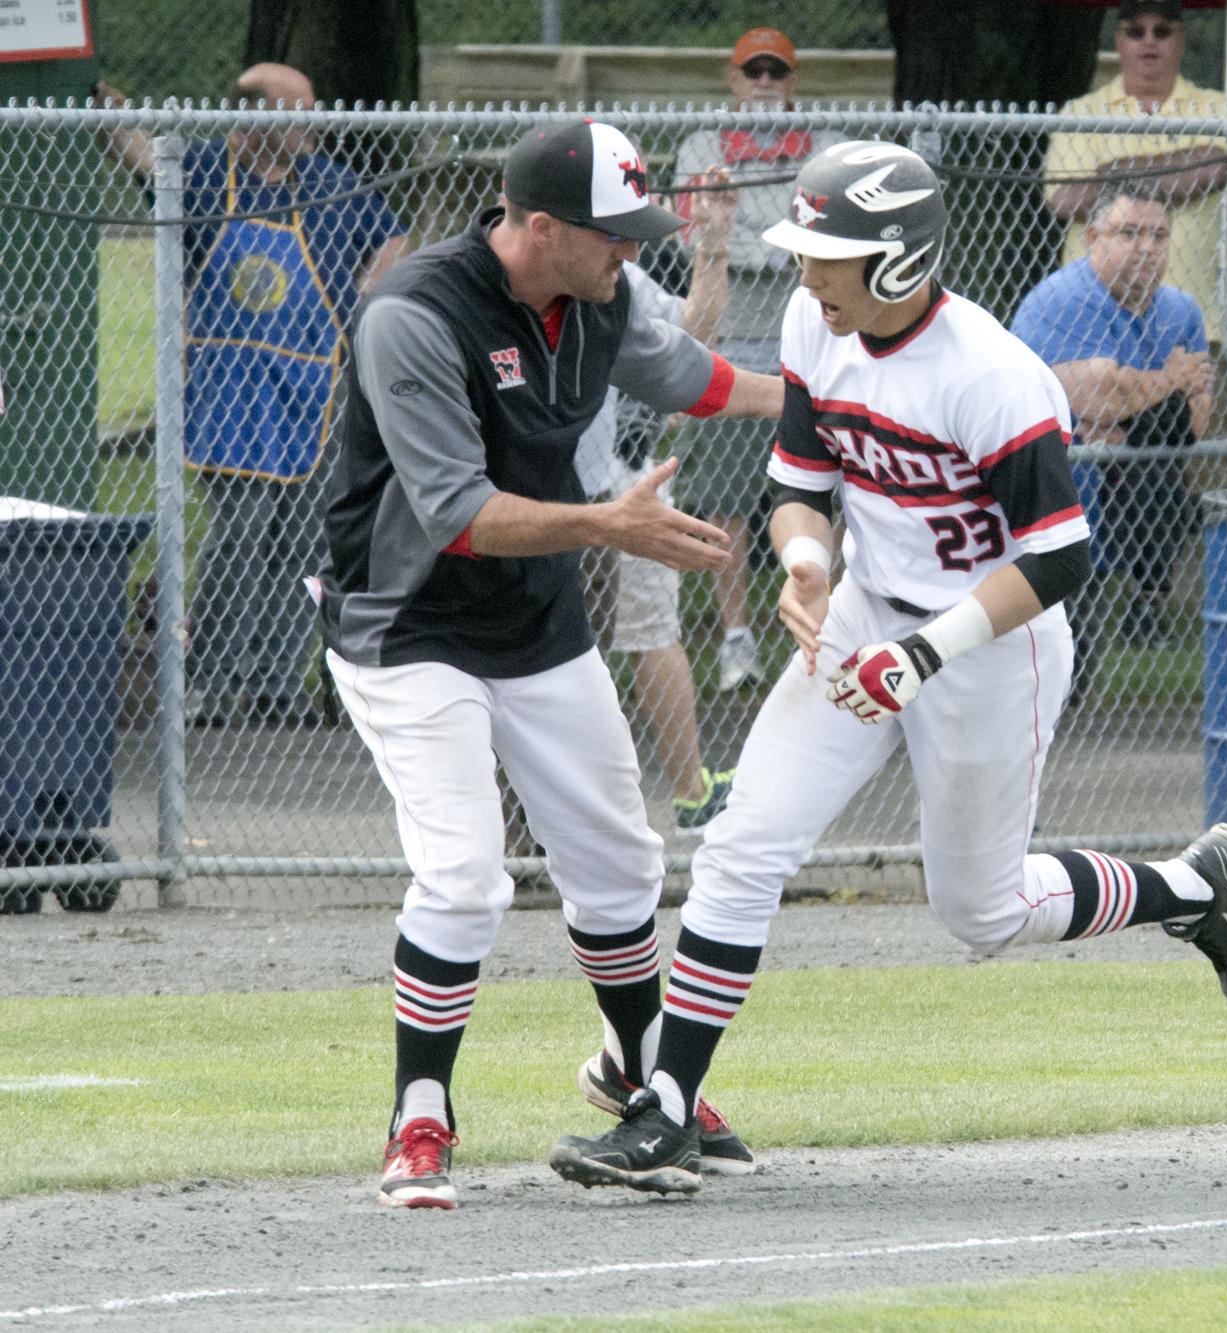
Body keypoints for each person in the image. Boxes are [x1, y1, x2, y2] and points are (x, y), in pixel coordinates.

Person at [546, 141, 1227, 1199]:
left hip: (988, 645)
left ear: (895, 260)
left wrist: (924, 652)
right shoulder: (814, 325)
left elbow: (1059, 555)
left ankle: (1189, 888)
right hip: (865, 618)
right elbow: (799, 482)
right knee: (742, 844)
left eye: (825, 255)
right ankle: (663, 1108)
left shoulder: (990, 373)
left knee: (978, 911)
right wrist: (804, 564)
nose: (804, 275)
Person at [315, 119, 784, 1209]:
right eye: (611, 232)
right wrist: (608, 526)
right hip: (407, 625)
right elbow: (459, 513)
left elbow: (694, 377)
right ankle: (418, 1114)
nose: (631, 251)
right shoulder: (414, 316)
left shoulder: (602, 299)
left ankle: (641, 1082)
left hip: (534, 623)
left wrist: (824, 402)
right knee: (467, 872)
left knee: (620, 862)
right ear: (534, 227)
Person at [96, 63, 408, 726]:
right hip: (232, 390)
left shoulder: (330, 184)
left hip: (317, 392)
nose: (310, 126)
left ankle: (273, 685)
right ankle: (205, 680)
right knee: (241, 528)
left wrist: (367, 299)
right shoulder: (206, 172)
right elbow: (146, 161)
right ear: (253, 117)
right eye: (296, 113)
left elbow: (393, 239)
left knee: (302, 539)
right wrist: (109, 116)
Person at [670, 27, 852, 693]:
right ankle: (737, 639)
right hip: (728, 343)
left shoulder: (827, 146)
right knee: (722, 503)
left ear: (794, 81)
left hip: (811, 349)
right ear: (733, 78)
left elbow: (830, 229)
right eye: (754, 72)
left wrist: (755, 234)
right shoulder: (701, 144)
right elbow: (699, 226)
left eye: (778, 72)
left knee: (817, 492)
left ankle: (822, 628)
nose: (766, 83)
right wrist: (779, 244)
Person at [575, 167, 741, 831]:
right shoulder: (577, 265)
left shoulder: (623, 275)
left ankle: (691, 788)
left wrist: (715, 240)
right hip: (604, 482)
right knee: (637, 639)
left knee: (646, 634)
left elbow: (693, 332)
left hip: (624, 470)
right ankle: (682, 792)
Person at [1013, 182, 1212, 685]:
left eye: (1159, 235)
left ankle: (1148, 602)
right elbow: (1098, 395)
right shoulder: (1064, 298)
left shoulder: (1181, 309)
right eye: (1130, 233)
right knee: (1052, 670)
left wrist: (1129, 402)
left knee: (1165, 454)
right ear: (1093, 238)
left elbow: (1196, 419)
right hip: (1046, 486)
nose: (1147, 247)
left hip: (1128, 477)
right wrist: (1165, 384)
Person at [1044, 0, 1227, 349]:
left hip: (1189, 321)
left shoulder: (1217, 107)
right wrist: (1175, 169)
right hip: (1092, 321)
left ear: (1180, 41)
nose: (1149, 41)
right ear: (1118, 41)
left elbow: (1211, 170)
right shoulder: (1081, 112)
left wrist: (1109, 176)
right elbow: (1065, 201)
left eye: (1162, 31)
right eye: (1136, 31)